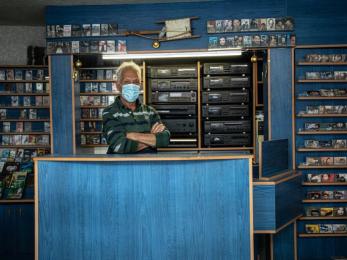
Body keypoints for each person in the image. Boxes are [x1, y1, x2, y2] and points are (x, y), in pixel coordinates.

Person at [102, 61, 170, 154]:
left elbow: (164, 139)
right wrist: (151, 138)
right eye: (127, 82)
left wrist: (131, 135)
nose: (132, 85)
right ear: (118, 85)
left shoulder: (150, 112)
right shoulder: (109, 112)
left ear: (140, 85)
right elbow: (119, 145)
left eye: (135, 82)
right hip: (120, 167)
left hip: (148, 165)